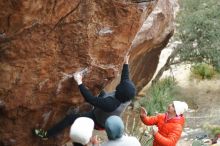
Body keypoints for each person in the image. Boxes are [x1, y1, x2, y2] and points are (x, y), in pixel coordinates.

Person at [34, 55, 136, 139]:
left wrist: (79, 83)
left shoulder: (111, 104)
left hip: (98, 121)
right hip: (104, 110)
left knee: (70, 118)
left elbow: (90, 99)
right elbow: (125, 78)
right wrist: (126, 62)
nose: (121, 84)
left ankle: (46, 135)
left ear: (120, 92)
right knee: (99, 90)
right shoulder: (127, 95)